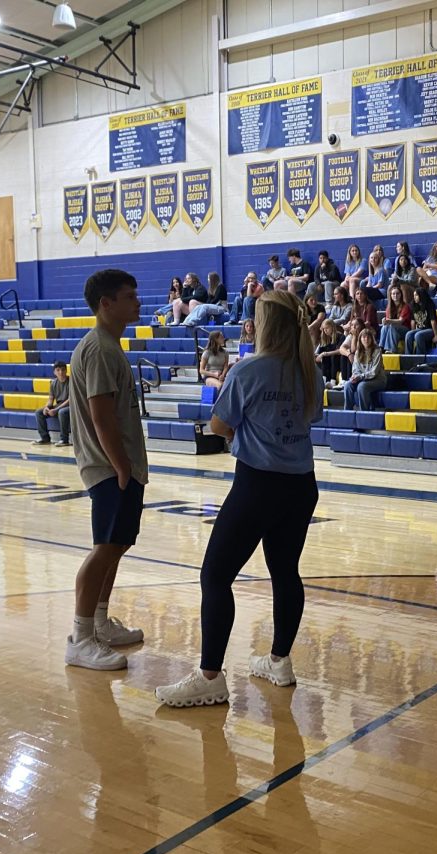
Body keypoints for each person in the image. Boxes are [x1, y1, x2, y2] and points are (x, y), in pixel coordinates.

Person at [155, 290, 324, 706]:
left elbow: (217, 425)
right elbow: (310, 417)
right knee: (285, 572)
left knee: (215, 576)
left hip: (257, 486)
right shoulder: (309, 371)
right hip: (301, 485)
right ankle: (279, 661)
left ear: (264, 325)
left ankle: (210, 675)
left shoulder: (248, 370)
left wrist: (242, 431)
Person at [66, 269, 147, 671]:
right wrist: (120, 467)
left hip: (118, 466)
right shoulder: (99, 348)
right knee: (104, 549)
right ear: (106, 303)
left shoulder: (109, 345)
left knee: (116, 545)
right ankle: (80, 637)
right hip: (107, 467)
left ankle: (98, 623)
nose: (138, 302)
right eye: (129, 296)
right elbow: (101, 417)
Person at [344, 328, 386, 411]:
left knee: (361, 386)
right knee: (347, 385)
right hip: (362, 378)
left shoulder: (377, 351)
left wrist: (360, 377)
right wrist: (355, 376)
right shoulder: (357, 352)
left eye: (368, 337)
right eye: (363, 337)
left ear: (371, 339)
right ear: (360, 339)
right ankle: (347, 411)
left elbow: (374, 372)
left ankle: (364, 412)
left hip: (378, 380)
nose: (366, 339)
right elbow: (355, 369)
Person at [33, 361, 71, 446]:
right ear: (54, 372)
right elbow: (50, 399)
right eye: (58, 370)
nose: (60, 372)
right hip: (58, 405)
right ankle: (45, 438)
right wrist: (47, 407)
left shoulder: (71, 381)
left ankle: (64, 440)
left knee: (62, 412)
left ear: (66, 371)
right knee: (39, 412)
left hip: (71, 406)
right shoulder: (53, 383)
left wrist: (56, 409)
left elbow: (70, 400)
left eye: (62, 370)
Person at [404, 285, 437, 354]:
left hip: (431, 329)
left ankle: (419, 358)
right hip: (420, 329)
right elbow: (413, 321)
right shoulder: (413, 305)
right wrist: (413, 332)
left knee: (418, 335)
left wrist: (436, 335)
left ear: (421, 295)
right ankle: (408, 357)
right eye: (414, 295)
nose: (414, 297)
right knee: (408, 334)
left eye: (416, 295)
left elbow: (433, 321)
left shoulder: (429, 305)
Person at [377, 283, 412, 353]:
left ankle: (392, 350)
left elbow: (400, 321)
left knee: (392, 326)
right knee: (385, 327)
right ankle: (381, 348)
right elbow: (387, 322)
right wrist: (385, 321)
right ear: (391, 295)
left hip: (405, 329)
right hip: (393, 330)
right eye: (393, 294)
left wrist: (389, 321)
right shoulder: (389, 307)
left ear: (401, 295)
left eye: (397, 293)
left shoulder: (405, 306)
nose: (395, 295)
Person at [315, 318, 347, 384]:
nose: (325, 330)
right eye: (323, 329)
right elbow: (318, 353)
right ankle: (324, 380)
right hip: (327, 362)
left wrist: (325, 354)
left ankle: (333, 381)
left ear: (332, 327)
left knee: (333, 356)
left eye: (327, 328)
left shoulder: (341, 336)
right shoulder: (324, 338)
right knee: (324, 358)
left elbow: (340, 351)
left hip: (339, 360)